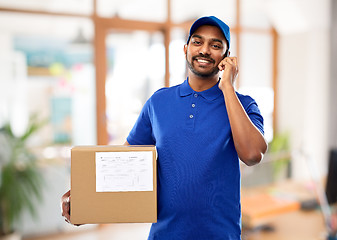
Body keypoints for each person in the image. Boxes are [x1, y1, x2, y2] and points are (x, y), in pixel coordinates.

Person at [61, 16, 268, 239]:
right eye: (198, 42)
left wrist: (227, 86)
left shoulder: (243, 105)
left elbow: (252, 154)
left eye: (216, 45)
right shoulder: (158, 102)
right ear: (186, 48)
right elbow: (125, 164)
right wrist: (85, 200)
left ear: (227, 58)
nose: (205, 50)